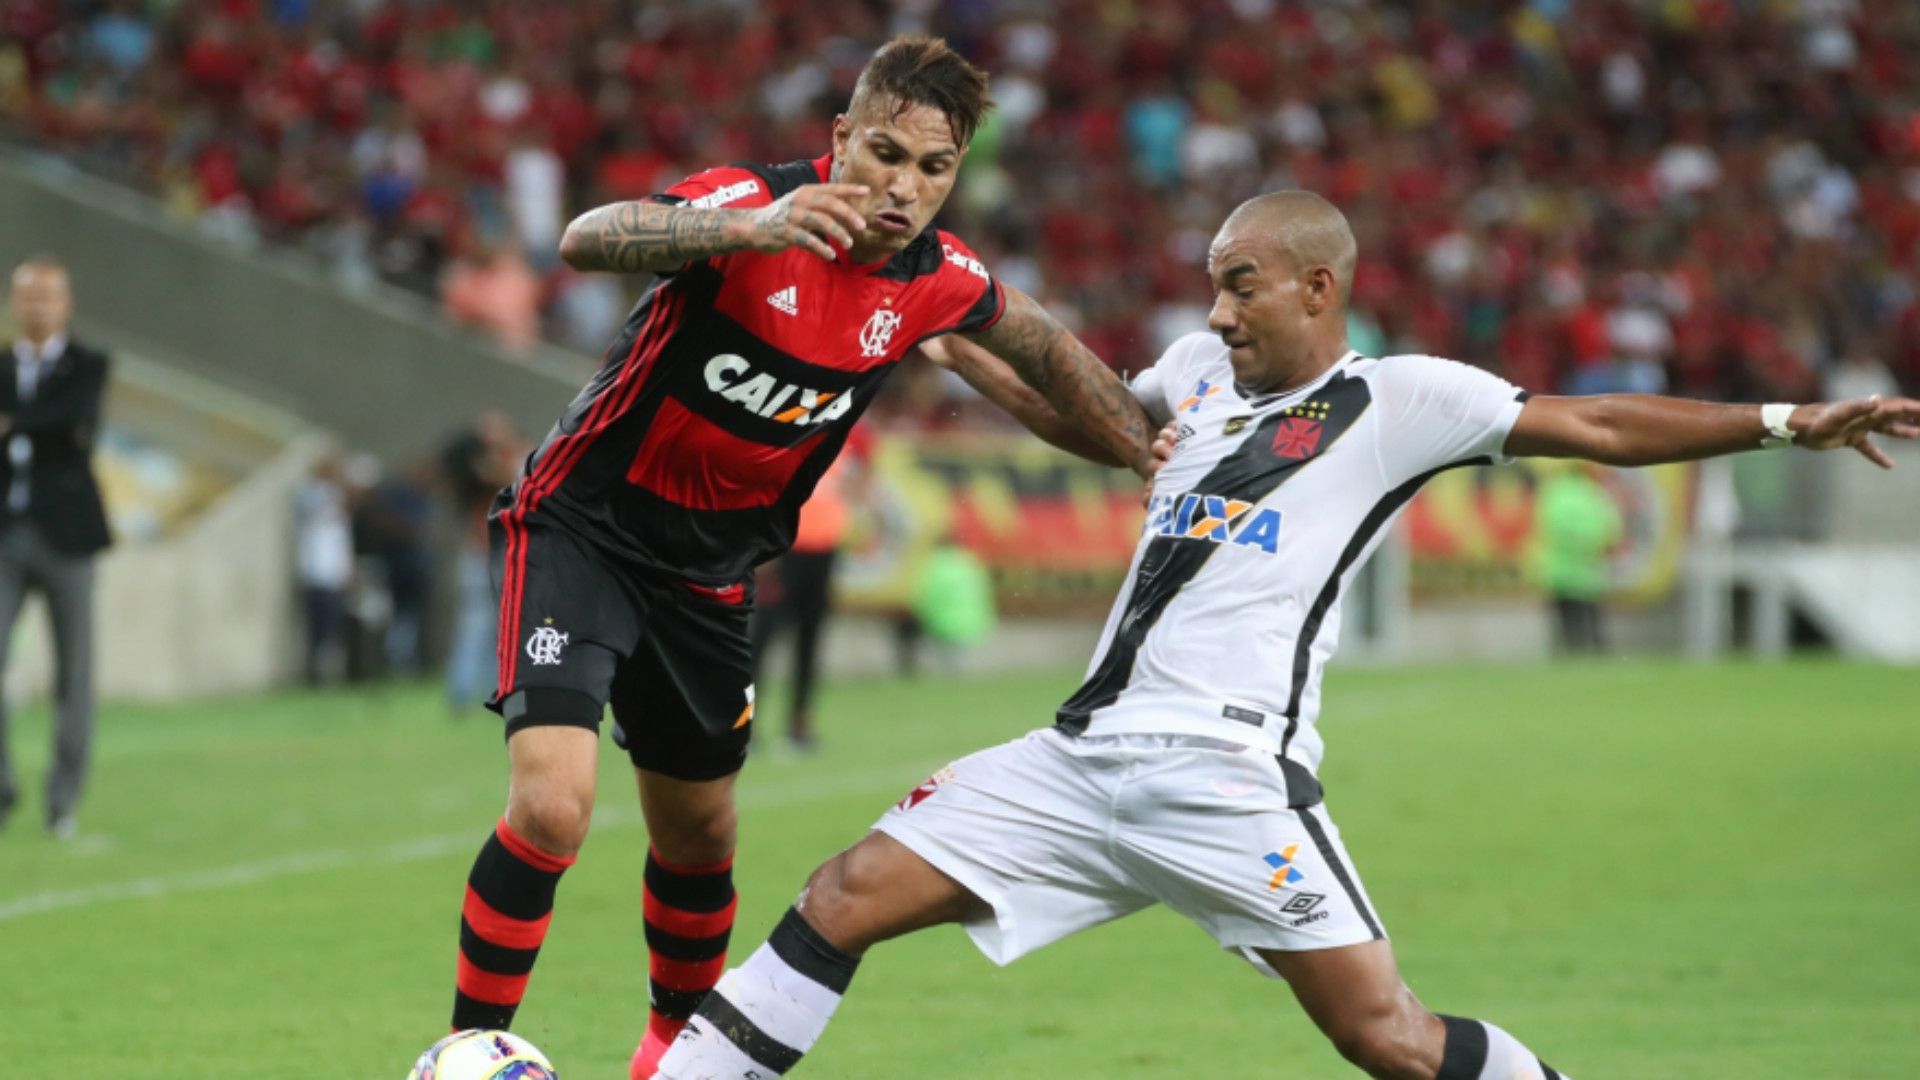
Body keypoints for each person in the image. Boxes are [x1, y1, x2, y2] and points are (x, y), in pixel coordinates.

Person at [655, 191, 1920, 1080]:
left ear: (1320, 286)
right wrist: (938, 336)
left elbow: (1595, 425)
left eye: (1240, 284)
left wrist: (1785, 420)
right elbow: (1090, 422)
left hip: (1225, 773)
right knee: (841, 896)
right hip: (1077, 761)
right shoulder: (1192, 377)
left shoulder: (1402, 399)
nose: (1215, 311)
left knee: (1389, 1040)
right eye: (1214, 283)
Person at [440, 35, 1154, 1080]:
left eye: (934, 168)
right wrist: (746, 228)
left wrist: (1153, 453)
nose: (904, 187)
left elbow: (1044, 353)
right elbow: (587, 238)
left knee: (699, 835)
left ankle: (673, 1058)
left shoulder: (935, 280)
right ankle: (468, 1050)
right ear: (840, 138)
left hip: (711, 577)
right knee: (553, 806)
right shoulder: (749, 204)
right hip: (584, 531)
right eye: (885, 154)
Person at [0, 256, 113, 839]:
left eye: (48, 297)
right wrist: (36, 424)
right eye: (29, 296)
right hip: (6, 531)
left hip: (67, 536)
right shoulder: (3, 365)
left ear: (65, 304)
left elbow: (74, 420)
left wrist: (13, 423)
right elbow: (55, 425)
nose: (38, 306)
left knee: (74, 672)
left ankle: (63, 798)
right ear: (14, 303)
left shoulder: (88, 365)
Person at [748, 434, 869, 753]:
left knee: (810, 642)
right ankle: (746, 724)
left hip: (824, 556)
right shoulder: (793, 444)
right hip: (785, 555)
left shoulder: (842, 452)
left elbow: (853, 492)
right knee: (762, 641)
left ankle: (799, 725)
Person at [1530, 462, 1623, 654]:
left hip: (1558, 572)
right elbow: (1608, 531)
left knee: (1567, 627)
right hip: (1587, 574)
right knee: (1592, 627)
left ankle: (1566, 659)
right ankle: (1597, 660)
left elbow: (1545, 525)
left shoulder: (1554, 490)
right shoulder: (1594, 494)